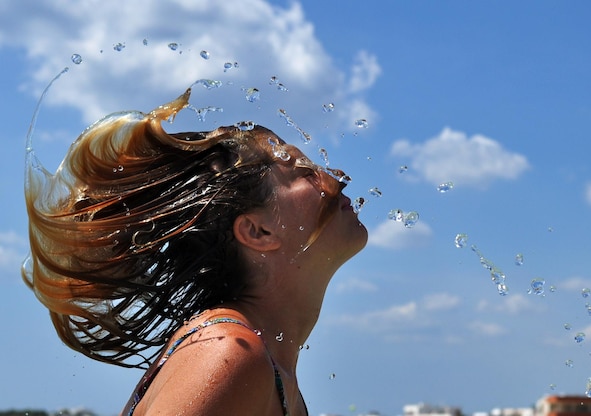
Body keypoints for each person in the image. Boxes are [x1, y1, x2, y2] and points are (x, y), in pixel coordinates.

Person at [23, 87, 368, 415]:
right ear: (258, 231)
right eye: (304, 173)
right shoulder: (228, 352)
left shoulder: (258, 359)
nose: (335, 178)